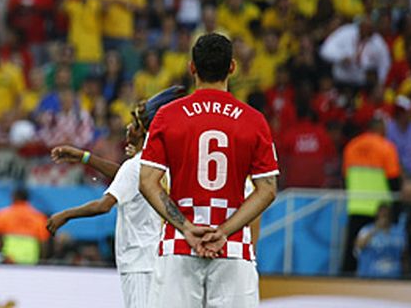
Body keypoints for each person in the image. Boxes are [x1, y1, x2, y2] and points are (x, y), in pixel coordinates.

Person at [139, 33, 279, 308]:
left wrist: (187, 228)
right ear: (232, 67)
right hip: (234, 248)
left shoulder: (168, 115)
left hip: (179, 245)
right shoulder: (254, 121)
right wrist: (224, 231)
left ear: (192, 67)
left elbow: (147, 182)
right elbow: (268, 189)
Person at [48, 86, 185, 308]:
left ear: (143, 131)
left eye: (134, 124)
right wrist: (84, 157)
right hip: (158, 257)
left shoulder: (135, 167)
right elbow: (125, 177)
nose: (128, 128)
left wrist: (66, 215)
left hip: (139, 261)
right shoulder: (160, 163)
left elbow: (104, 205)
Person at [340, 115, 403, 274]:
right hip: (380, 210)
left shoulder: (351, 146)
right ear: (381, 128)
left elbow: (345, 178)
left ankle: (344, 287)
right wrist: (396, 208)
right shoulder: (386, 147)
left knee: (352, 254)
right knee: (383, 255)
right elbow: (394, 181)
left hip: (356, 206)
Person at [0, 186, 49, 265]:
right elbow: (44, 243)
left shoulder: (2, 215)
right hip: (30, 259)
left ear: (13, 197)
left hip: (9, 258)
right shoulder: (39, 217)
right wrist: (42, 260)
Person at [355, 203, 407, 279]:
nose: (384, 217)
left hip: (394, 276)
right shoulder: (366, 229)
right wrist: (376, 229)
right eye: (382, 214)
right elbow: (359, 246)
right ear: (377, 215)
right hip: (370, 276)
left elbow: (404, 253)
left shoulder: (399, 231)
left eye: (386, 214)